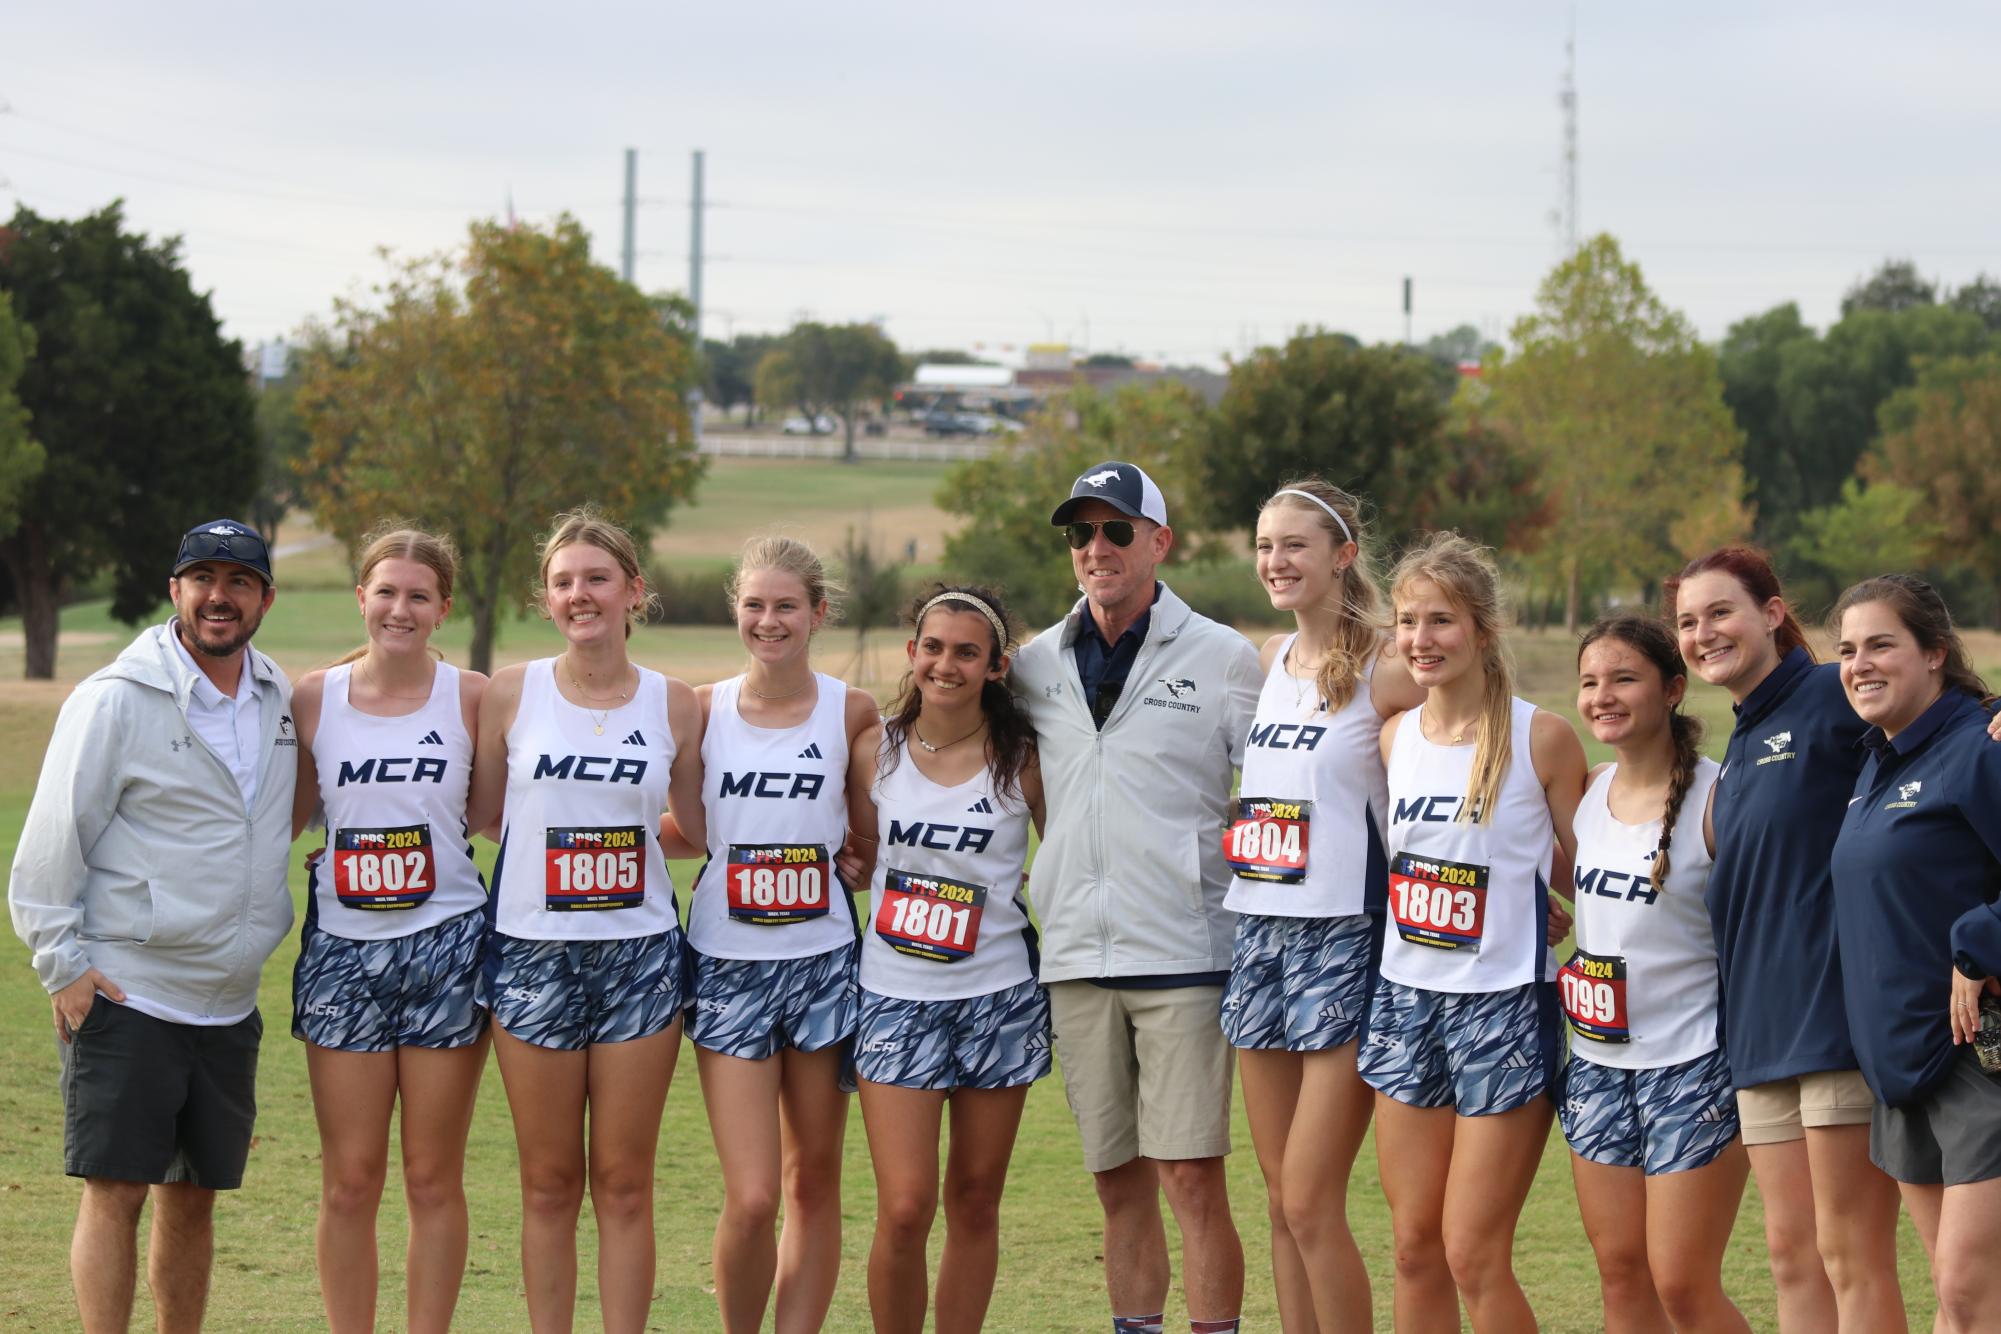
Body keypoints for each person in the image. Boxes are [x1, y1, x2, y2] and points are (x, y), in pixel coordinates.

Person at [10, 518, 294, 1333]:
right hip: (129, 990)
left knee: (195, 1198)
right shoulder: (115, 699)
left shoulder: (277, 696)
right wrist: (62, 965)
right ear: (175, 590)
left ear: (265, 598)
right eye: (202, 578)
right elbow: (48, 846)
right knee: (116, 1190)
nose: (219, 596)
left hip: (227, 1004)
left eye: (238, 582)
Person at [1011, 460, 1261, 1334]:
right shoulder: (1033, 664)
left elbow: (1278, 794)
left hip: (1187, 956)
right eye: (1080, 533)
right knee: (1115, 1183)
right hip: (1076, 956)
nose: (1096, 548)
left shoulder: (1226, 656)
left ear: (1160, 541)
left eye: (1116, 530)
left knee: (1190, 1179)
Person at [466, 508, 704, 1334]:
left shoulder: (675, 704)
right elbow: (488, 815)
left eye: (597, 578)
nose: (580, 595)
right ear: (546, 597)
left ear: (634, 591)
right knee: (548, 1182)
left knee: (625, 1181)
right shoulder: (509, 691)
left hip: (639, 958)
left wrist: (624, 849)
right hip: (532, 956)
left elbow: (697, 829)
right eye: (564, 582)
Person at [1666, 547, 1905, 1332]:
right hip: (1759, 1034)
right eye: (1687, 622)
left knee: (1849, 1255)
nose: (1703, 634)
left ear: (1771, 614)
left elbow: (1946, 723)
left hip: (1835, 1022)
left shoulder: (1831, 693)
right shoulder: (1742, 733)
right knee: (1789, 1255)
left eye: (1720, 612)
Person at [1358, 531, 1586, 1334]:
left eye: (1441, 621)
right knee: (1414, 1247)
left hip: (1504, 1010)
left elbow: (1584, 871)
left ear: (1482, 630)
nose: (1420, 640)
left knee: (1470, 1254)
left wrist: (1543, 905)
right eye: (1407, 622)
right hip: (1404, 1005)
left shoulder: (1541, 737)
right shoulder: (1392, 738)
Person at [661, 535, 878, 1334]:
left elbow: (867, 837)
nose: (769, 620)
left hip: (823, 962)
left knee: (812, 1182)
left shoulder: (849, 709)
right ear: (736, 612)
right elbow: (691, 829)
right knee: (752, 1196)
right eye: (754, 605)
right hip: (725, 965)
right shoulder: (701, 707)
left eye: (786, 605)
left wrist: (859, 863)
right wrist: (590, 835)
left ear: (818, 612)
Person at [1222, 479, 1421, 1333]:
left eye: (1295, 545)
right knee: (1278, 1202)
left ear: (1342, 555)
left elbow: (1463, 773)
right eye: (1266, 545)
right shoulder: (1269, 659)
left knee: (1309, 1198)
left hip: (1348, 939)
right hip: (1260, 934)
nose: (1276, 561)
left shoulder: (1393, 666)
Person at [288, 528, 489, 1334]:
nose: (398, 609)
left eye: (417, 596)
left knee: (432, 1178)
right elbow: (290, 818)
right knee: (349, 1179)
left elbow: (504, 814)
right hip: (342, 955)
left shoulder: (474, 695)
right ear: (360, 598)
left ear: (442, 607)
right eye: (385, 592)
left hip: (448, 947)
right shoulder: (314, 696)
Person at [849, 584, 1048, 1334]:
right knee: (904, 1206)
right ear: (911, 654)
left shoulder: (1022, 759)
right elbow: (861, 853)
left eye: (967, 652)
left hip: (998, 997)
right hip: (894, 997)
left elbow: (1057, 860)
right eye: (933, 647)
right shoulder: (876, 749)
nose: (946, 664)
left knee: (973, 1201)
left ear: (996, 667)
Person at [1565, 614, 1750, 1333]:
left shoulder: (1720, 795)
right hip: (1594, 1066)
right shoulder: (1589, 787)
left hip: (1691, 1065)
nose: (1601, 695)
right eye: (1588, 681)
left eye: (1622, 678)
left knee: (1681, 1284)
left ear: (1673, 689)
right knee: (1620, 1275)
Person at [1827, 575, 2001, 1333]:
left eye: (1879, 645)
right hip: (1899, 1066)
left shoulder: (1979, 747)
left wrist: (1976, 945)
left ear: (1934, 653)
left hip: (1977, 1061)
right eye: (1845, 650)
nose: (1859, 663)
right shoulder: (1874, 763)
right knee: (1960, 1303)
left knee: (1967, 1290)